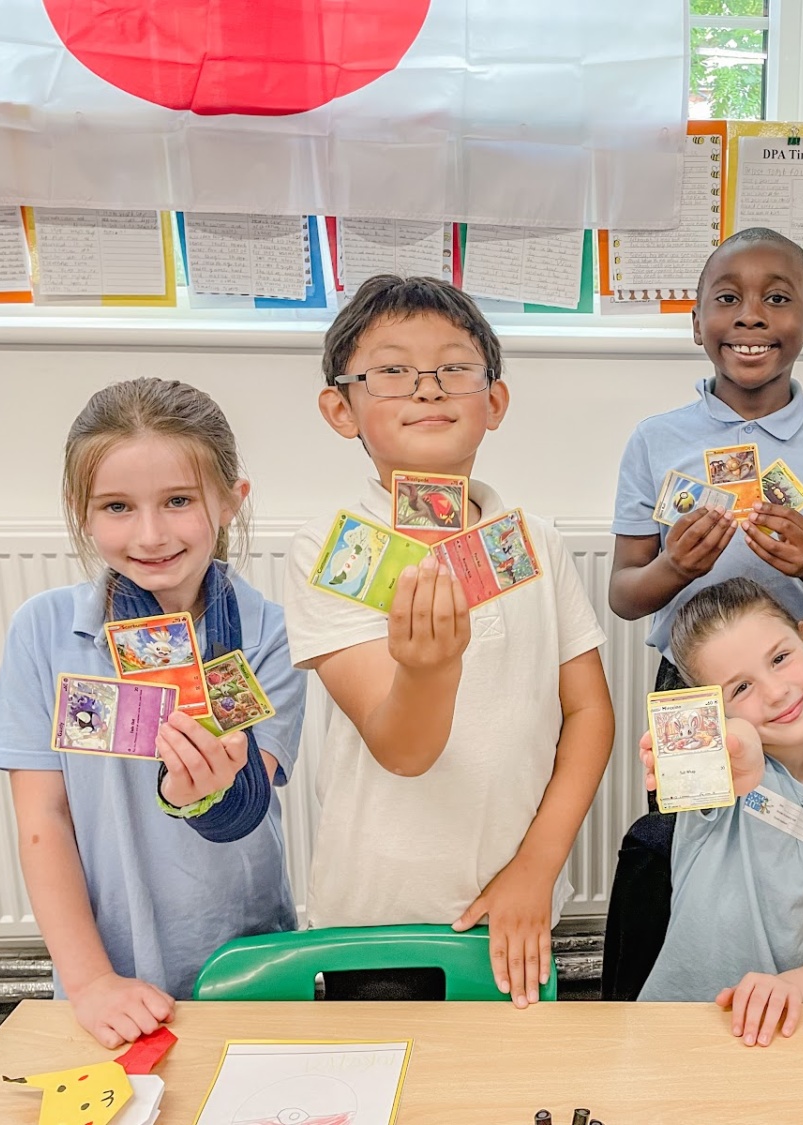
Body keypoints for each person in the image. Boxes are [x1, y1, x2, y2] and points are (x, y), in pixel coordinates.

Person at [283, 274, 615, 1007]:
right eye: (393, 371)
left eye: (454, 368)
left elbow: (590, 714)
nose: (427, 388)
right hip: (377, 921)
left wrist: (536, 865)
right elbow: (403, 748)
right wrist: (428, 670)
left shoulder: (534, 542)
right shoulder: (332, 549)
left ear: (493, 400)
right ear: (343, 408)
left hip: (516, 915)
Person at [0, 378, 305, 1047]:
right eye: (118, 506)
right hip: (104, 976)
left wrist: (197, 798)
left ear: (230, 500)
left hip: (245, 965)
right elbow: (43, 817)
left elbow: (245, 801)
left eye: (178, 500)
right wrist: (92, 981)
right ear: (81, 510)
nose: (150, 534)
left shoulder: (269, 632)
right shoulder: (44, 632)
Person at [603, 228, 803, 998]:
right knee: (700, 857)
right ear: (697, 322)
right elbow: (625, 594)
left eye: (777, 298)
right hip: (698, 693)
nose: (751, 316)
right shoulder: (657, 440)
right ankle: (691, 1003)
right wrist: (674, 567)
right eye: (726, 299)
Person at [637, 578, 803, 1046]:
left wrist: (789, 991)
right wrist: (735, 746)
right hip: (689, 1028)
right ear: (711, 712)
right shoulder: (716, 770)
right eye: (740, 688)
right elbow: (731, 750)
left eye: (780, 659)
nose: (777, 693)